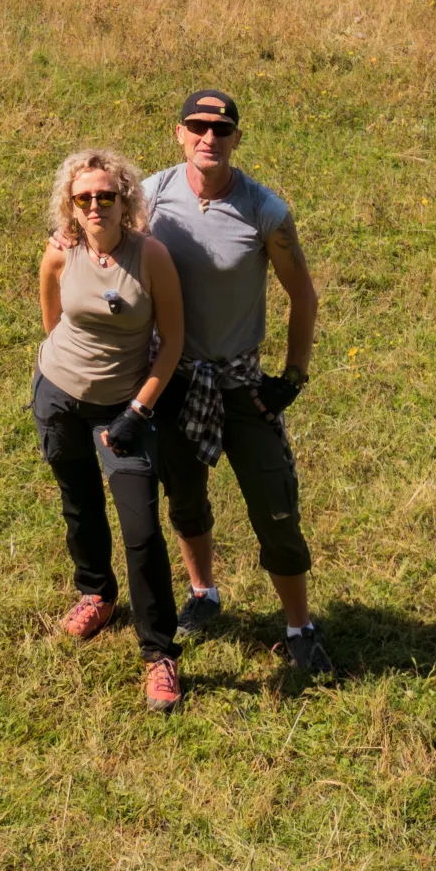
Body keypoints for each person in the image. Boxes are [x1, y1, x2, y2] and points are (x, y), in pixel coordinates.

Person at [144, 89, 335, 681]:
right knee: (184, 498)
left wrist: (291, 379)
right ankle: (203, 593)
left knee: (276, 509)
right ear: (179, 133)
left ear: (236, 139)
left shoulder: (264, 210)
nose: (210, 138)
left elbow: (303, 295)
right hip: (174, 380)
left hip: (240, 384)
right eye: (198, 126)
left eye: (222, 129)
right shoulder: (149, 198)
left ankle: (299, 628)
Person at [32, 146, 188, 713]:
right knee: (78, 502)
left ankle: (160, 654)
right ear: (70, 205)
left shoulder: (151, 257)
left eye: (106, 196)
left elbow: (172, 342)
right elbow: (53, 320)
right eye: (84, 198)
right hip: (58, 397)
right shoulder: (60, 251)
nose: (95, 206)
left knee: (141, 530)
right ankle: (96, 592)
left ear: (126, 200)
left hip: (125, 410)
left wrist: (137, 411)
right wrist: (68, 376)